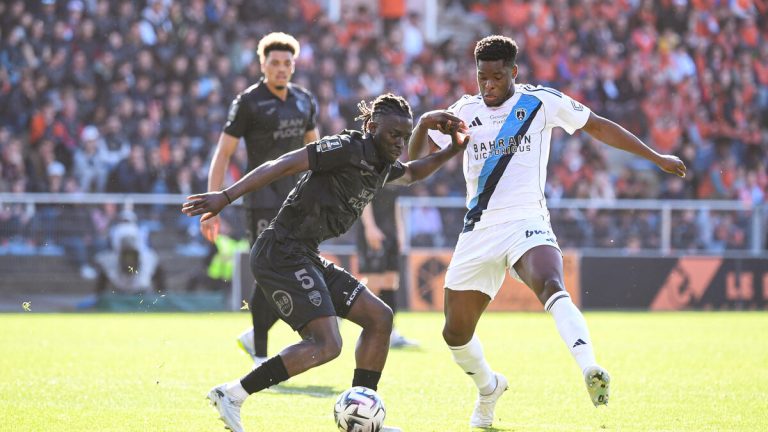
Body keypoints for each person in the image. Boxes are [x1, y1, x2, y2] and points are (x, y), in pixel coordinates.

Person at [409, 35, 687, 428]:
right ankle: (489, 388)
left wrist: (656, 157)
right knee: (455, 333)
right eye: (482, 77)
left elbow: (599, 127)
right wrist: (423, 123)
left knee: (551, 283)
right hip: (478, 230)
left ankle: (590, 366)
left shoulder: (540, 102)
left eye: (496, 77)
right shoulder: (462, 112)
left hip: (527, 220)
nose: (488, 85)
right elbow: (412, 163)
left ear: (513, 73)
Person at [182, 94, 467, 432]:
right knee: (327, 344)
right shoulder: (348, 147)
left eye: (404, 137)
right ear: (372, 127)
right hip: (280, 252)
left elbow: (414, 172)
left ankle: (361, 415)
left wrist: (453, 149)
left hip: (306, 254)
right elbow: (283, 163)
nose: (400, 143)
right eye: (394, 135)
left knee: (380, 318)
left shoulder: (382, 163)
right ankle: (233, 393)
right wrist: (225, 196)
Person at [201, 32, 319, 367]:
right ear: (262, 65)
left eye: (287, 63)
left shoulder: (305, 100)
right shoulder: (248, 102)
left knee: (291, 269)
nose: (281, 68)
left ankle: (255, 335)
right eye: (274, 63)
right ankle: (261, 353)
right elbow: (223, 153)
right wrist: (214, 203)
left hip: (296, 200)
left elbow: (315, 150)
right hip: (261, 199)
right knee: (269, 270)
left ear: (294, 65)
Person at [357, 188, 419, 348]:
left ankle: (391, 332)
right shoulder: (372, 167)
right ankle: (343, 310)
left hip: (390, 231)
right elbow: (364, 198)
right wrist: (370, 227)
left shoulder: (396, 171)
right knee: (373, 282)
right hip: (373, 229)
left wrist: (400, 231)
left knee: (391, 282)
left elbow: (396, 201)